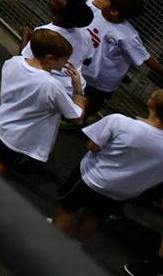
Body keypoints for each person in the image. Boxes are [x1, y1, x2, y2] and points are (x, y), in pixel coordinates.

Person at [0, 28, 82, 179]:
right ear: (50, 58)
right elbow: (77, 117)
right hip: (18, 138)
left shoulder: (14, 62)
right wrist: (78, 88)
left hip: (2, 123)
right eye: (65, 59)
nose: (67, 63)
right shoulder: (51, 85)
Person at [54, 90, 163, 243]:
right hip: (120, 192)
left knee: (67, 209)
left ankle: (52, 241)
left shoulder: (120, 122)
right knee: (93, 217)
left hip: (92, 178)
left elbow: (92, 146)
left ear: (151, 104)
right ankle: (75, 246)